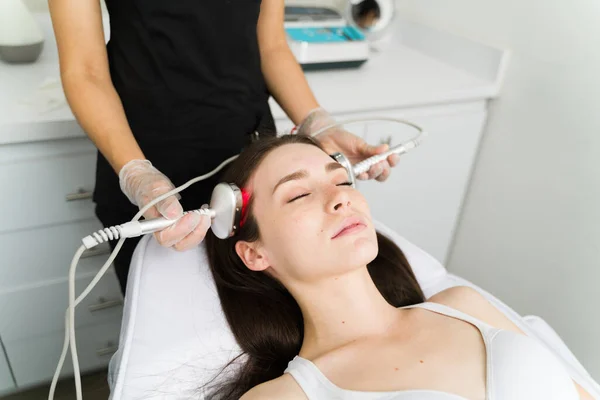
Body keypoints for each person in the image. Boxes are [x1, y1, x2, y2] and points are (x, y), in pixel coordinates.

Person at [203, 134, 594, 399]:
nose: (340, 200)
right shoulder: (285, 395)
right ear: (255, 254)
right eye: (299, 194)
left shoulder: (464, 306)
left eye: (341, 182)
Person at [48, 0, 399, 294]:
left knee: (266, 326)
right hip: (149, 163)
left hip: (253, 162)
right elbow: (84, 71)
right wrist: (135, 174)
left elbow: (271, 46)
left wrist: (318, 123)